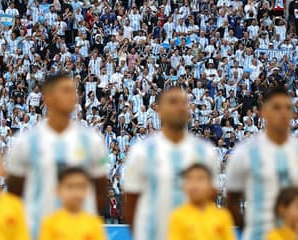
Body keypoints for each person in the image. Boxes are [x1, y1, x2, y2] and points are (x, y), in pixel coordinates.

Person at [6, 74, 108, 239]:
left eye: (73, 91)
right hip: (37, 232)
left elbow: (100, 188)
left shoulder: (92, 141)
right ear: (48, 98)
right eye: (66, 91)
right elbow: (14, 192)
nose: (73, 96)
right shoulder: (26, 142)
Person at [124, 87, 218, 240]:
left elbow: (210, 199)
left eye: (184, 102)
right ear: (159, 110)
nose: (179, 107)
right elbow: (131, 202)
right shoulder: (141, 152)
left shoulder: (206, 153)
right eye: (173, 102)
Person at [226, 87, 298, 240]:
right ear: (263, 112)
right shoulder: (245, 152)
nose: (283, 113)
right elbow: (231, 201)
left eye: (288, 108)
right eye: (276, 107)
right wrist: (250, 228)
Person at [167, 163, 236, 240]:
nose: (195, 184)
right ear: (184, 186)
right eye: (190, 179)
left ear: (210, 185)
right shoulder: (177, 216)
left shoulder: (223, 216)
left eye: (200, 179)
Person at [38, 167, 107, 240]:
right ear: (58, 190)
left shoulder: (94, 223)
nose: (76, 192)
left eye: (80, 186)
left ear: (87, 190)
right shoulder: (50, 222)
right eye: (70, 187)